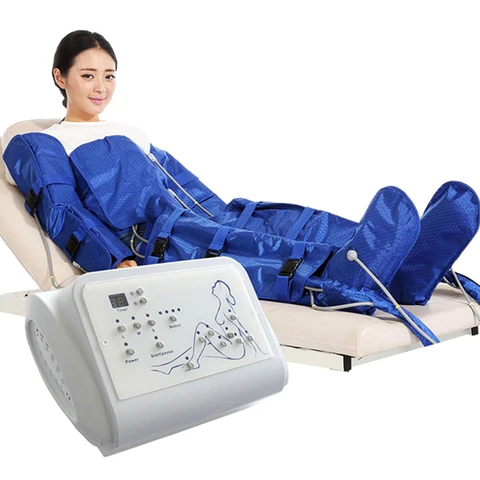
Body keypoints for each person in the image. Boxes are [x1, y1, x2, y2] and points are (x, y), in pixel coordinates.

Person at [4, 30, 480, 346]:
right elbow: (62, 211)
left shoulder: (132, 132)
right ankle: (343, 277)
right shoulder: (45, 143)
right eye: (88, 76)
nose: (101, 87)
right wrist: (111, 260)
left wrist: (228, 215)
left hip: (197, 217)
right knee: (247, 249)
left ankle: (411, 267)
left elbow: (191, 190)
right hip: (154, 240)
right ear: (60, 77)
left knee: (276, 222)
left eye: (109, 76)